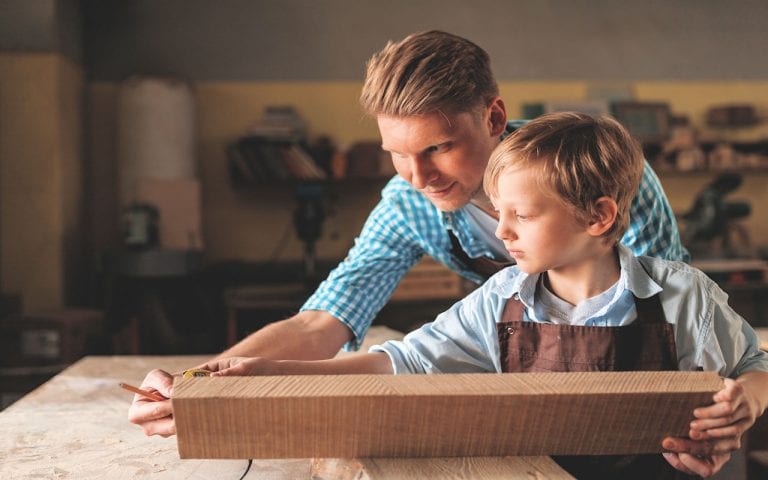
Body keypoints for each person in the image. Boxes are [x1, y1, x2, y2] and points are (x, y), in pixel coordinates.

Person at [128, 31, 687, 436]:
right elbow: (324, 320)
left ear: (494, 119)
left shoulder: (599, 177)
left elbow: (669, 324)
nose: (419, 177)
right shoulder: (407, 203)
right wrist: (202, 384)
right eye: (397, 154)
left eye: (437, 147)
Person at [202, 112, 768, 479]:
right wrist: (262, 371)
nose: (500, 232)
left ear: (599, 217)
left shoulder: (682, 293)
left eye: (521, 215)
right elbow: (397, 363)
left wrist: (751, 399)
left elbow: (755, 364)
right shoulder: (500, 299)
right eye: (500, 213)